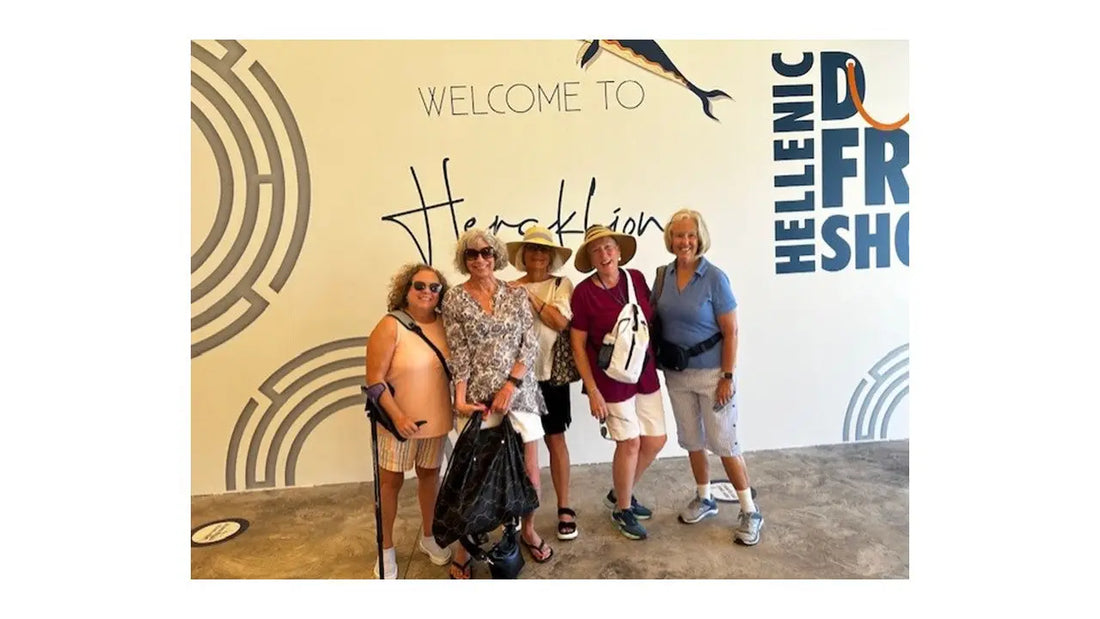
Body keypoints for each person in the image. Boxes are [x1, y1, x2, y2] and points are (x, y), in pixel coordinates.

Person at [441, 228, 554, 579]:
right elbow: (458, 352)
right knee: (475, 475)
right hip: (478, 398)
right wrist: (459, 397)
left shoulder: (515, 294)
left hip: (520, 393)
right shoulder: (455, 300)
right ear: (464, 260)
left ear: (496, 256)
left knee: (530, 469)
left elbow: (529, 345)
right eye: (472, 254)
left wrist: (510, 385)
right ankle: (464, 547)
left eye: (486, 252)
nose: (480, 259)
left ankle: (528, 530)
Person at [653, 208, 763, 546]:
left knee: (724, 443)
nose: (684, 241)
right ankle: (705, 497)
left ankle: (750, 510)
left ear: (700, 238)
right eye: (678, 235)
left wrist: (727, 376)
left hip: (713, 374)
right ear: (670, 239)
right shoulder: (663, 276)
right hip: (677, 374)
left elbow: (732, 331)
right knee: (692, 440)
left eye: (690, 235)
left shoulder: (715, 277)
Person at [569, 224, 667, 541]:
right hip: (609, 379)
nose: (604, 254)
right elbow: (578, 344)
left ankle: (619, 492)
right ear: (590, 258)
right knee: (629, 443)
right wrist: (592, 391)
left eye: (609, 247)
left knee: (656, 439)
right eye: (596, 250)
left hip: (645, 370)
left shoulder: (635, 278)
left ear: (619, 251)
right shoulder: (584, 293)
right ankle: (622, 509)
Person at [364, 263, 455, 578]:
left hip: (436, 420)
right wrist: (398, 416)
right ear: (406, 289)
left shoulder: (445, 323)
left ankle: (429, 536)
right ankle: (385, 547)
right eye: (420, 286)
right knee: (390, 483)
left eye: (434, 287)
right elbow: (374, 381)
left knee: (430, 477)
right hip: (397, 424)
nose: (427, 292)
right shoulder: (390, 325)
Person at [505, 226, 579, 541]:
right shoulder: (506, 287)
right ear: (523, 256)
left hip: (550, 377)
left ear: (551, 257)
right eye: (533, 250)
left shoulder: (562, 285)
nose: (538, 255)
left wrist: (529, 297)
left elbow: (559, 322)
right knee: (519, 446)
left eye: (544, 251)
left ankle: (564, 507)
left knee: (555, 440)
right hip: (515, 379)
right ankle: (520, 509)